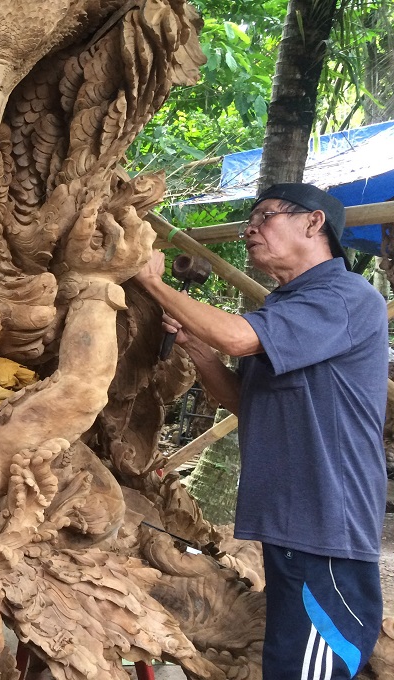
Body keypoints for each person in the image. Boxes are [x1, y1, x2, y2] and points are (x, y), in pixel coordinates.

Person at [134, 183, 387, 680]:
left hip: (326, 522)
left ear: (314, 224)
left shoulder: (343, 296)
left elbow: (236, 335)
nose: (251, 228)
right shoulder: (285, 306)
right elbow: (242, 401)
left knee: (312, 666)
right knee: (287, 657)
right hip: (290, 518)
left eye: (266, 216)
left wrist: (154, 283)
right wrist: (197, 349)